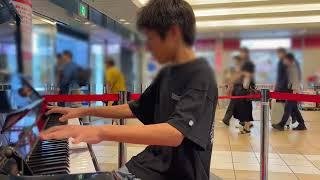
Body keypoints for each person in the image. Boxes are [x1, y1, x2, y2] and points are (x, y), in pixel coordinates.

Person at [40, 0, 218, 180]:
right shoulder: (168, 73)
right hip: (149, 164)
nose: (148, 46)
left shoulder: (200, 75)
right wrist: (82, 110)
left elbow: (175, 133)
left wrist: (100, 131)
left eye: (151, 38)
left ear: (173, 33)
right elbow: (134, 108)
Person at [272, 53, 307, 131]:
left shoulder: (293, 68)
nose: (284, 61)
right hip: (291, 91)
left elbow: (295, 80)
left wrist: (294, 92)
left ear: (289, 60)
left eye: (285, 60)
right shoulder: (290, 67)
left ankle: (281, 125)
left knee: (287, 108)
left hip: (293, 91)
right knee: (295, 110)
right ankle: (302, 124)